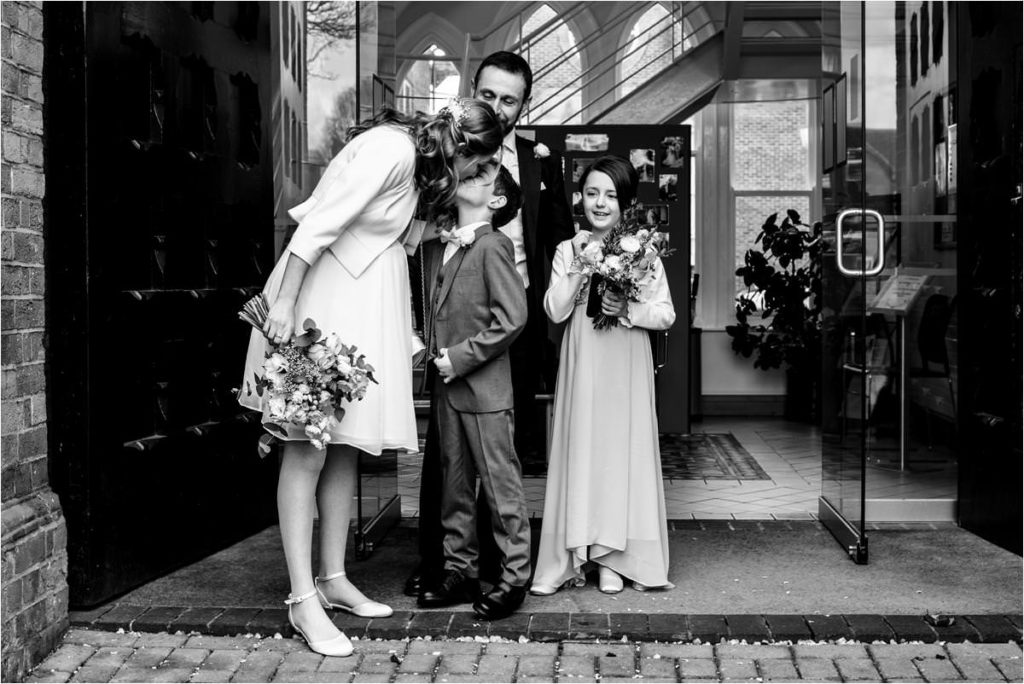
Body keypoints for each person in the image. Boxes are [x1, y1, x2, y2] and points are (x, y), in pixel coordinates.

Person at [239, 99, 503, 656]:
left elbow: (397, 243)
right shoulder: (391, 149)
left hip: (365, 308)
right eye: (476, 167)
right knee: (305, 446)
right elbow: (318, 225)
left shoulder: (422, 166)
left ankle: (333, 578)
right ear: (462, 147)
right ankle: (301, 599)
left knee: (343, 448)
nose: (470, 179)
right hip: (323, 304)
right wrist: (285, 306)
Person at [406, 49, 574, 598]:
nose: (498, 107)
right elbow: (420, 241)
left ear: (524, 106)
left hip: (513, 320)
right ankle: (444, 563)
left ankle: (503, 567)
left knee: (500, 450)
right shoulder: (443, 152)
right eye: (489, 95)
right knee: (446, 454)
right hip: (452, 317)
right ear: (470, 91)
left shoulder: (539, 159)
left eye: (510, 100)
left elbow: (558, 238)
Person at [530, 155, 676, 596]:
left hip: (625, 363)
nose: (600, 202)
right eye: (592, 193)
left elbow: (665, 314)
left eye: (610, 195)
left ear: (625, 201)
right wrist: (581, 265)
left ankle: (614, 558)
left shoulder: (645, 253)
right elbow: (554, 310)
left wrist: (627, 309)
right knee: (582, 449)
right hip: (584, 363)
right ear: (580, 198)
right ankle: (575, 554)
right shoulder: (566, 250)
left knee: (619, 453)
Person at [417, 162, 532, 620]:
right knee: (454, 486)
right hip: (448, 390)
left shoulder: (493, 245)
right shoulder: (444, 246)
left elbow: (513, 318)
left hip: (484, 389)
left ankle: (514, 576)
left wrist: (460, 357)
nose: (468, 175)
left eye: (482, 174)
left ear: (498, 200)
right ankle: (460, 570)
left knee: (502, 487)